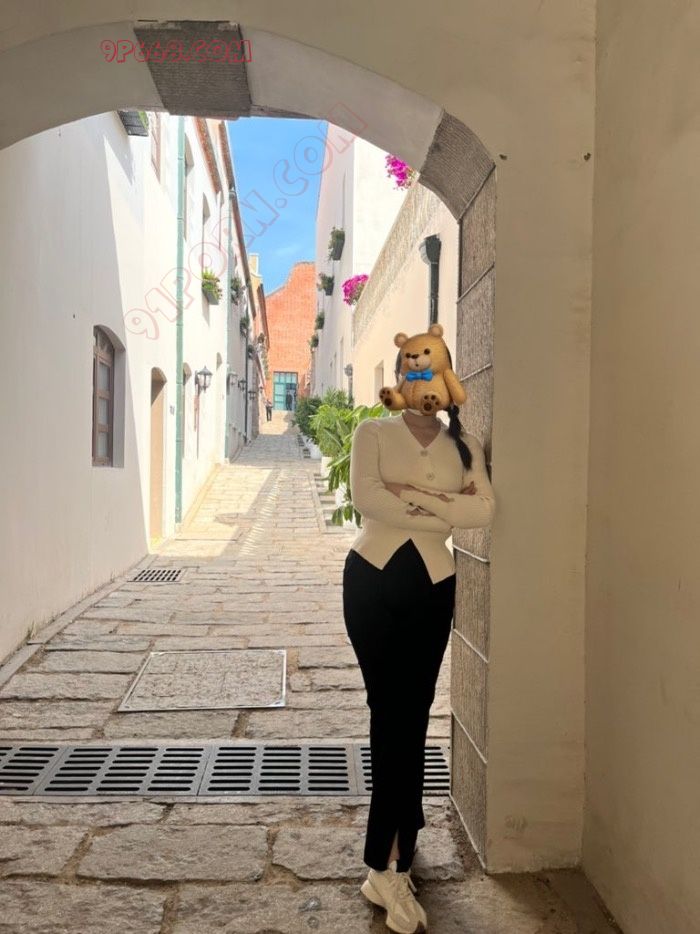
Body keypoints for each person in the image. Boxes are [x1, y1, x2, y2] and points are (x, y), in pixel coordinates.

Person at [343, 329, 496, 934]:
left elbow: (483, 511)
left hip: (434, 587)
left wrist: (413, 495)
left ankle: (402, 843)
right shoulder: (372, 434)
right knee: (392, 714)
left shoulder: (467, 446)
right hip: (372, 583)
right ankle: (385, 865)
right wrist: (442, 506)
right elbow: (368, 499)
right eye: (413, 369)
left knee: (415, 713)